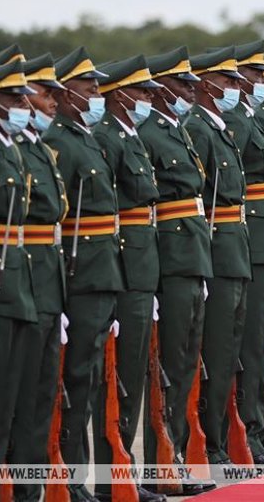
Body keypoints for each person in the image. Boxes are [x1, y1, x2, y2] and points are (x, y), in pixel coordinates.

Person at [48, 47, 124, 502]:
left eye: (97, 86)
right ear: (64, 94)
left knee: (92, 380)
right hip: (78, 276)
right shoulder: (62, 142)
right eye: (88, 87)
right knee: (74, 381)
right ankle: (68, 480)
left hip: (101, 274)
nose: (97, 93)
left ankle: (85, 479)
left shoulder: (87, 137)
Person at [140, 47, 216, 495]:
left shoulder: (176, 131)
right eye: (182, 85)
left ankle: (180, 460)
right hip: (169, 260)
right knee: (166, 368)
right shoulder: (150, 133)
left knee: (187, 365)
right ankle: (160, 465)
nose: (191, 91)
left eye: (191, 84)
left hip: (193, 257)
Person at [91, 55, 165, 502]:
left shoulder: (131, 137)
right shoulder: (108, 138)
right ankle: (109, 478)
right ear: (120, 95)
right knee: (114, 380)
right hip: (125, 267)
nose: (148, 100)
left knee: (134, 376)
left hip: (145, 266)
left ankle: (124, 475)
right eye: (141, 93)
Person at [222, 40, 264, 466]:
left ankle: (259, 433)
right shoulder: (238, 121)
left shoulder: (251, 118)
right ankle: (249, 435)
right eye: (254, 76)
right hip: (251, 241)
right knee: (250, 347)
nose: (262, 83)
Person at [9, 53, 70, 502]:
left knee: (38, 394)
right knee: (7, 401)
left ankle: (30, 490)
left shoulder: (36, 149)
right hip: (10, 284)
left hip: (45, 280)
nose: (47, 103)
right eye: (37, 95)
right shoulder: (7, 151)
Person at [187, 47, 251, 466]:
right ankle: (207, 445)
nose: (235, 89)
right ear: (208, 85)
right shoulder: (199, 128)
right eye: (228, 82)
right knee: (214, 353)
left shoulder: (221, 127)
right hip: (216, 248)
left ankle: (221, 441)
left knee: (229, 352)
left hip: (235, 247)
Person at [0, 59, 38, 502]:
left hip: (16, 282)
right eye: (12, 98)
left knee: (10, 401)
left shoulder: (9, 147)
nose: (23, 104)